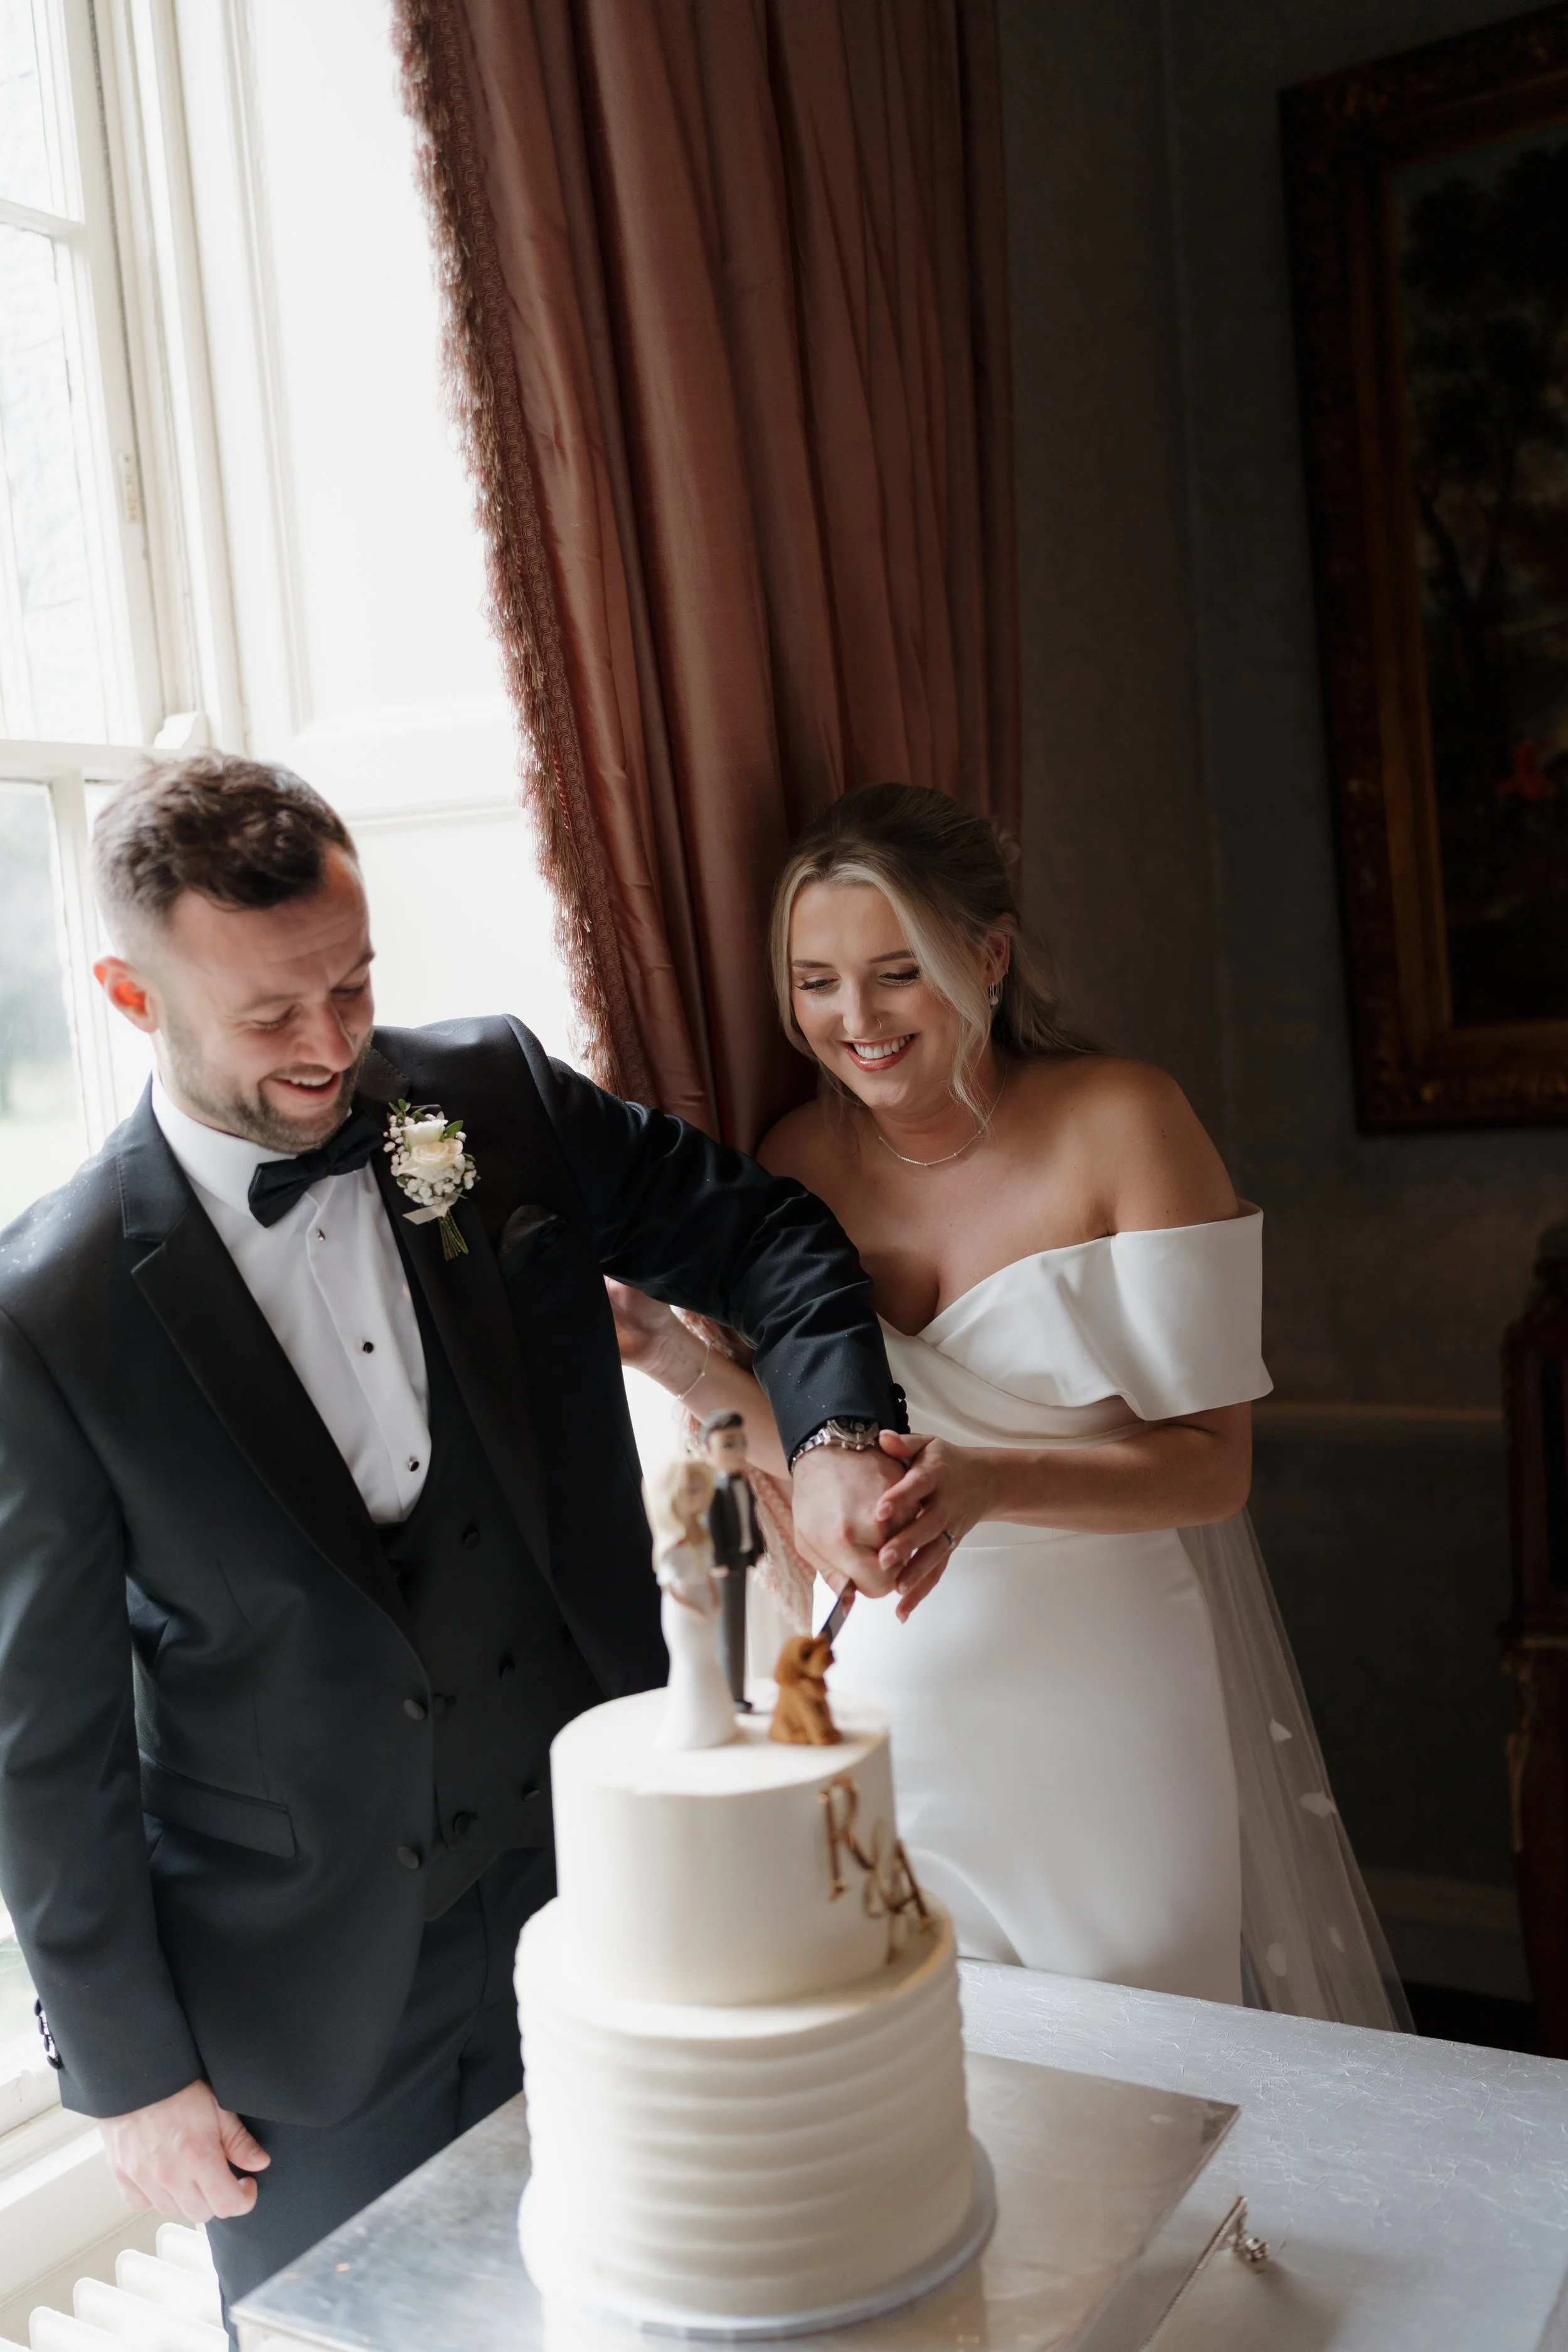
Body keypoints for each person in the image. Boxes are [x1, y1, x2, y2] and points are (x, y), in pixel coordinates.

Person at [0, 754, 909, 2333]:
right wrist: (130, 2072)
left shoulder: (481, 1101)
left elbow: (767, 1229)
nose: (335, 1044)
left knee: (680, 2305)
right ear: (129, 995)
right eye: (273, 1012)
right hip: (308, 2002)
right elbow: (48, 1733)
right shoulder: (50, 1308)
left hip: (613, 1904)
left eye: (353, 983)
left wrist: (831, 1436)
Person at [613, 782, 1407, 2029]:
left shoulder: (1123, 1123)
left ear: (984, 955)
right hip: (894, 1712)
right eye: (814, 980)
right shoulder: (792, 1164)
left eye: (895, 972)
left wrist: (993, 1483)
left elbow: (1211, 1468)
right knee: (931, 2087)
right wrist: (667, 1355)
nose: (853, 1018)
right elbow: (826, 1453)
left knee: (1155, 2083)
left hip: (1104, 1706)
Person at [650, 1455, 735, 1750]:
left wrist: (713, 1595)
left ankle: (717, 1721)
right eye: (690, 1491)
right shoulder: (672, 1547)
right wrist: (694, 1609)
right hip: (684, 1612)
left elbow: (708, 1573)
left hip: (705, 1603)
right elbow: (671, 1588)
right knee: (691, 1662)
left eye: (700, 1490)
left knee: (710, 1658)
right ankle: (691, 1726)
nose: (697, 1498)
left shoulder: (701, 1537)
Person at [701, 1410, 766, 1707]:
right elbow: (711, 1528)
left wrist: (758, 1549)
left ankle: (737, 1692)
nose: (738, 1451)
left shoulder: (745, 1485)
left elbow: (751, 1520)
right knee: (729, 1630)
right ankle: (730, 1695)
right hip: (725, 1566)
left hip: (743, 1560)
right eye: (728, 1445)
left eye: (741, 1443)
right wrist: (717, 1562)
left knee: (739, 1627)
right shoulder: (713, 1492)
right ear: (708, 1451)